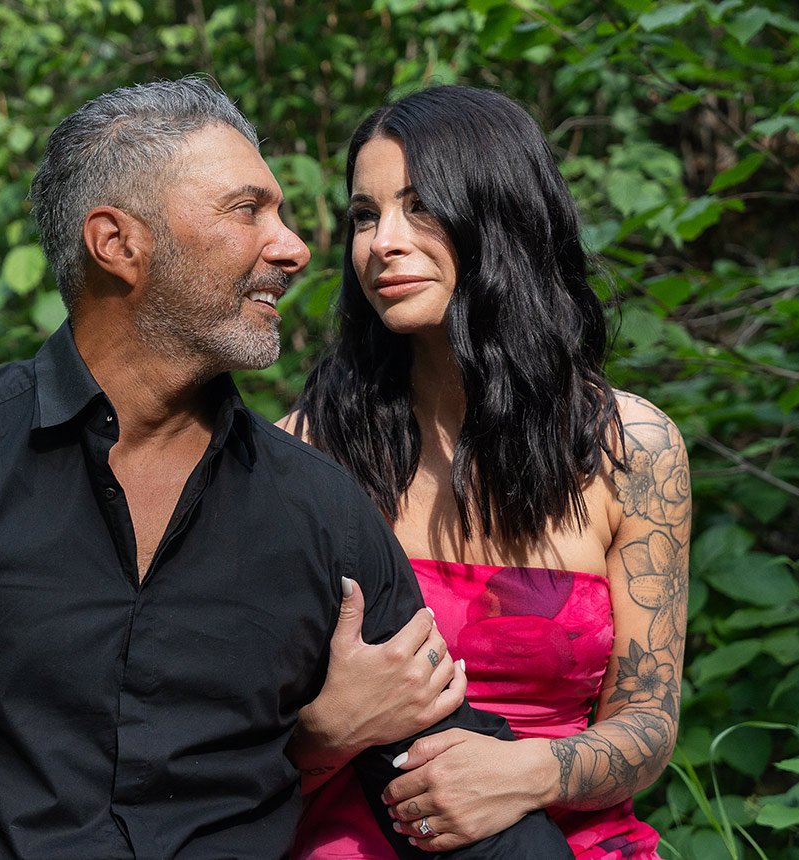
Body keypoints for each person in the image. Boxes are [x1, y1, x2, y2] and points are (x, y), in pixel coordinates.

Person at [0, 78, 572, 858]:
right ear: (118, 244)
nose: (296, 248)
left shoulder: (317, 506)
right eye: (248, 211)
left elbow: (449, 782)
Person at [283, 86, 690, 858]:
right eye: (364, 216)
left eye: (419, 206)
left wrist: (524, 774)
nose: (382, 243)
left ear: (498, 214)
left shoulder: (632, 449)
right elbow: (225, 739)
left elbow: (647, 723)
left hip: (571, 839)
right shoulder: (303, 453)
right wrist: (327, 732)